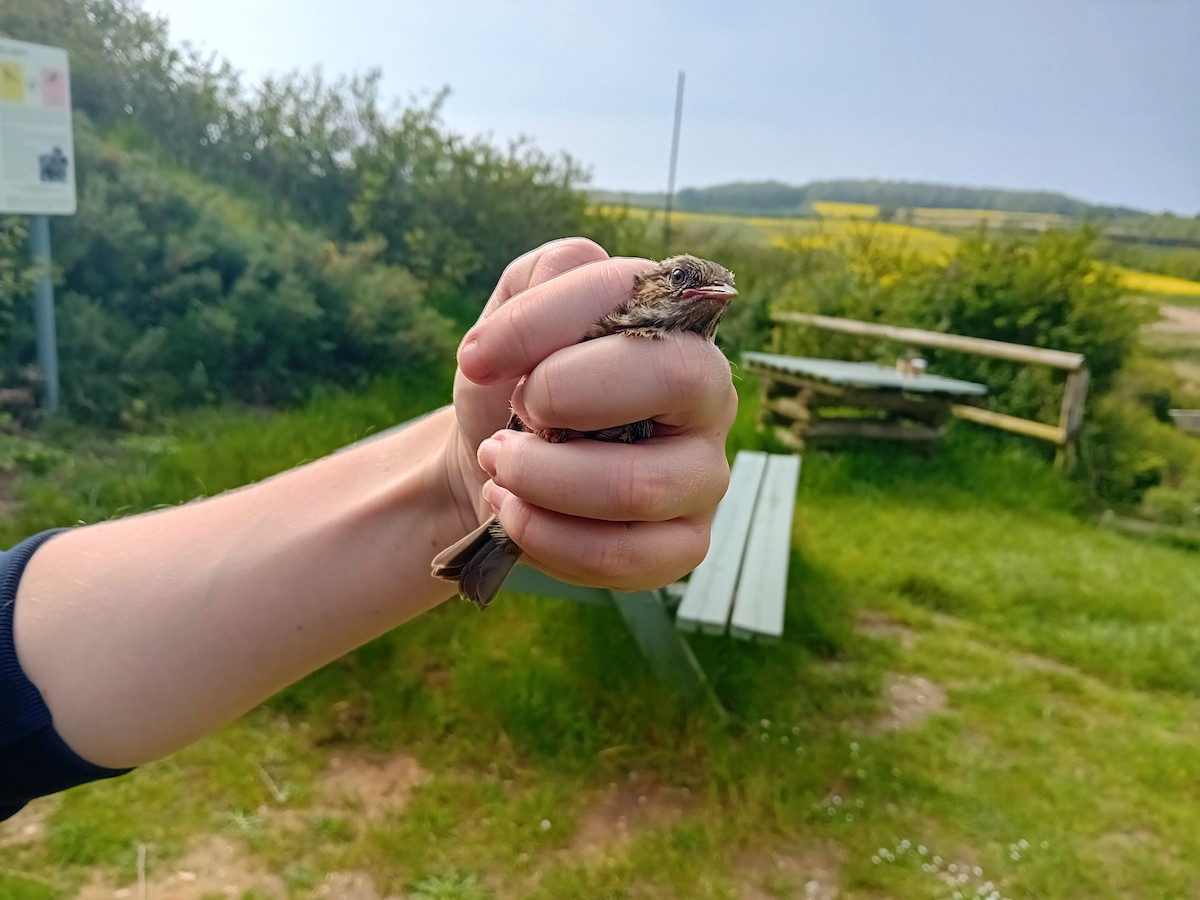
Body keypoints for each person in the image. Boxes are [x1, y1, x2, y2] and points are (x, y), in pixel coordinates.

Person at [0, 238, 737, 820]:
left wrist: (460, 472)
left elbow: (24, 655)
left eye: (707, 290)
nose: (701, 297)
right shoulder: (612, 332)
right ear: (649, 293)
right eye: (682, 283)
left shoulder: (658, 356)